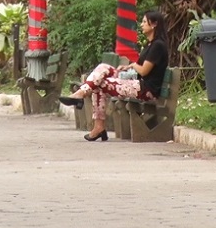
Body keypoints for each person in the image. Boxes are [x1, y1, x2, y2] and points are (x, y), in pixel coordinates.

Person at [59, 10, 169, 142]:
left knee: (100, 85)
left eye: (144, 22)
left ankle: (88, 107)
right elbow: (142, 68)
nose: (141, 25)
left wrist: (133, 65)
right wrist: (127, 67)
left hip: (146, 90)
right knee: (102, 67)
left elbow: (144, 71)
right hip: (138, 84)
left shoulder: (158, 46)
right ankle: (82, 94)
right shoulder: (150, 45)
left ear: (154, 24)